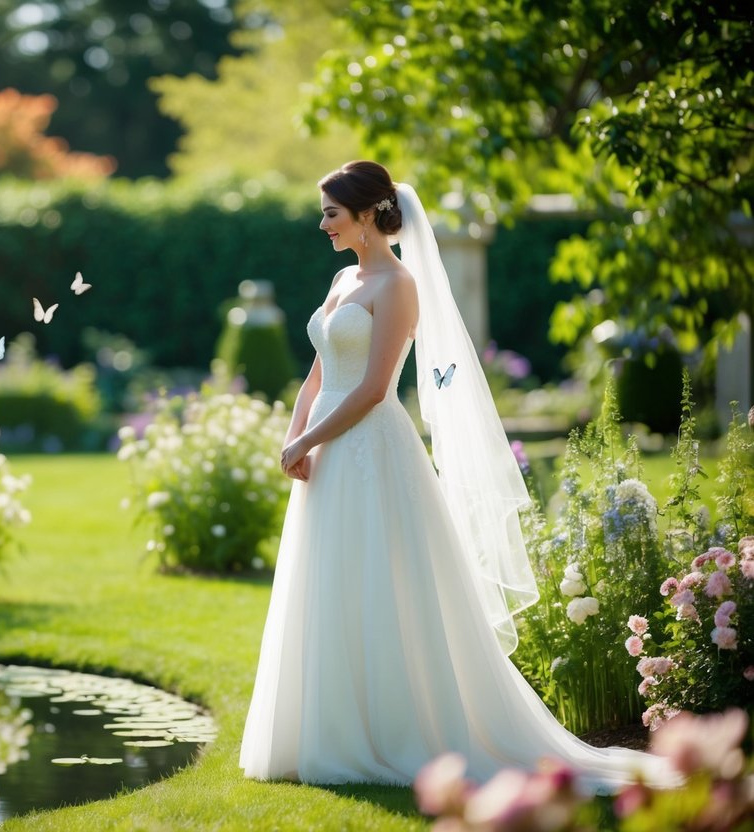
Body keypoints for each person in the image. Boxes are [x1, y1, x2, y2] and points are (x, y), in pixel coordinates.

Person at [237, 160, 681, 794]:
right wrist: (294, 437)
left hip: (369, 449)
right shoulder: (342, 278)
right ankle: (325, 729)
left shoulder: (397, 285)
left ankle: (397, 731)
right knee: (329, 577)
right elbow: (318, 374)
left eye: (332, 212)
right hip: (326, 451)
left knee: (381, 583)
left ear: (368, 215)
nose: (323, 223)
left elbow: (371, 389)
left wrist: (310, 438)